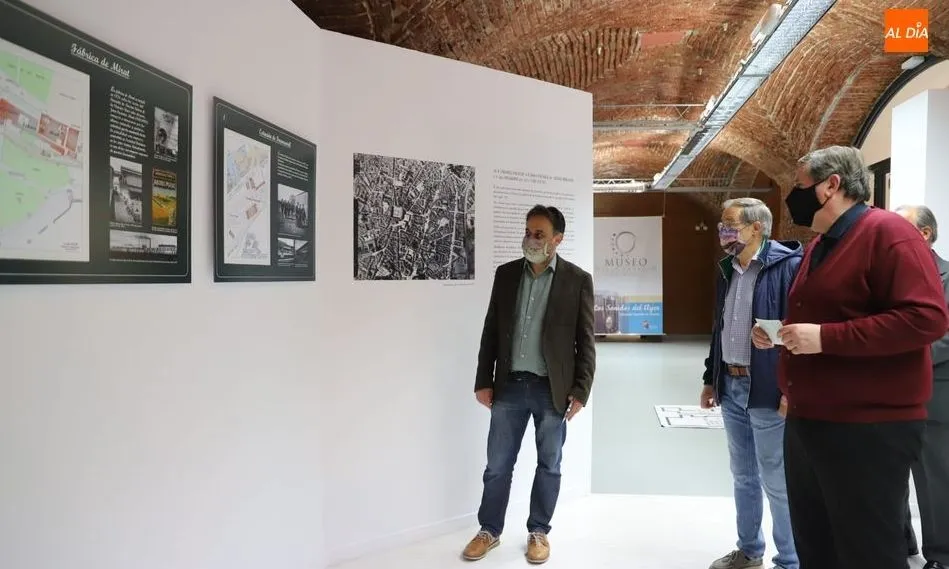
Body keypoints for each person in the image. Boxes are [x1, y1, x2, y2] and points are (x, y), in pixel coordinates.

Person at [751, 146, 949, 569]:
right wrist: (783, 333)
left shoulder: (889, 233)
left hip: (866, 427)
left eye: (802, 186)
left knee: (866, 550)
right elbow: (832, 313)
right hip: (812, 421)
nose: (796, 197)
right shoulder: (822, 244)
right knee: (817, 545)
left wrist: (825, 338)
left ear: (831, 185)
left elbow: (926, 318)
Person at [463, 204, 596, 565]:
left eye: (539, 234)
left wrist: (581, 390)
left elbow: (586, 341)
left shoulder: (577, 280)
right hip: (508, 386)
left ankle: (539, 531)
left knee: (549, 464)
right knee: (497, 465)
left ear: (557, 239)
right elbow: (490, 330)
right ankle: (489, 530)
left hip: (551, 389)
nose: (531, 239)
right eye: (528, 231)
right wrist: (483, 379)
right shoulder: (506, 275)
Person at [701, 198, 802, 569]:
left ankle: (790, 560)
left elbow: (798, 333)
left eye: (730, 225)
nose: (722, 232)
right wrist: (711, 379)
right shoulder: (727, 269)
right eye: (722, 226)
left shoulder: (787, 268)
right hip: (731, 385)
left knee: (776, 478)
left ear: (756, 228)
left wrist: (791, 388)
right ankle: (749, 550)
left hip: (769, 389)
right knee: (743, 474)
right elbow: (719, 327)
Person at [896, 204, 949, 569]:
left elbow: (945, 340)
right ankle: (901, 543)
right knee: (891, 474)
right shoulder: (892, 274)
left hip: (935, 397)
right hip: (890, 396)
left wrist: (899, 358)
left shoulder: (948, 277)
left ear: (925, 234)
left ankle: (941, 556)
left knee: (934, 482)